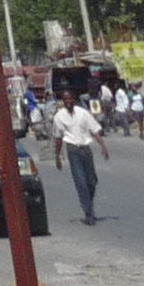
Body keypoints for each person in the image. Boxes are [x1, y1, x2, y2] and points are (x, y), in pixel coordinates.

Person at [51, 84, 107, 225]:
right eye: (65, 99)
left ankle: (88, 202)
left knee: (91, 181)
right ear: (62, 101)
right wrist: (57, 156)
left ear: (74, 99)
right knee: (81, 182)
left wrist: (103, 147)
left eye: (70, 98)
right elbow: (58, 138)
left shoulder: (83, 113)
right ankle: (88, 213)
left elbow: (94, 131)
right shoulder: (59, 117)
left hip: (86, 150)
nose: (67, 101)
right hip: (73, 150)